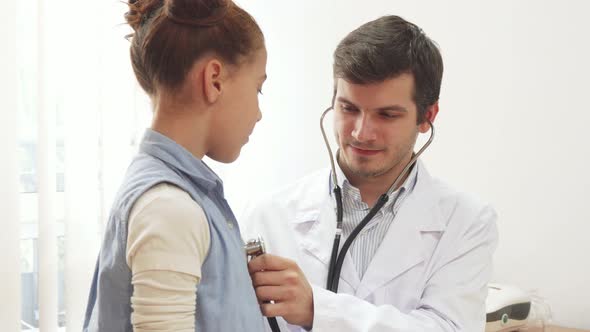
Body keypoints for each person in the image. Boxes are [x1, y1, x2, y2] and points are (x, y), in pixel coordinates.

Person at [241, 15, 498, 331]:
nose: (362, 133)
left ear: (427, 116)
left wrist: (316, 309)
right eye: (349, 109)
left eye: (387, 115)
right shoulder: (269, 215)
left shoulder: (466, 222)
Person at [83, 0, 267, 331]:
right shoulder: (169, 208)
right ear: (215, 80)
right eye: (258, 88)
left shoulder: (176, 197)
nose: (258, 113)